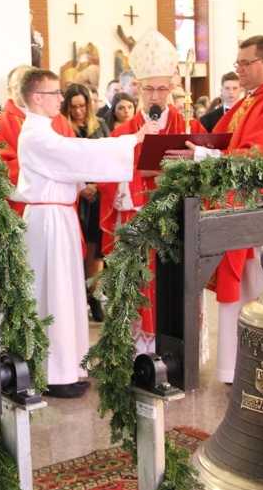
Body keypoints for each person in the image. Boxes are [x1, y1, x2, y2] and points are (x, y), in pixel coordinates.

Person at [168, 35, 263, 384]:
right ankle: (238, 368)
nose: (238, 71)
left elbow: (261, 159)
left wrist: (201, 155)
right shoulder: (258, 98)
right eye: (237, 64)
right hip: (250, 212)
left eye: (244, 63)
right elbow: (221, 137)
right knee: (244, 294)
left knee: (257, 293)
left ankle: (258, 370)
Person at [16, 68, 158, 398]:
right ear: (37, 97)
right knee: (54, 294)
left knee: (66, 292)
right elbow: (75, 153)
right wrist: (131, 140)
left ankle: (70, 366)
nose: (61, 99)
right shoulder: (36, 134)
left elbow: (70, 156)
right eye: (55, 93)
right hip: (48, 220)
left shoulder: (44, 131)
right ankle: (52, 372)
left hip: (59, 217)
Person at [98, 28, 206, 354]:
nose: (156, 96)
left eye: (162, 88)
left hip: (177, 223)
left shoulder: (189, 126)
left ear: (173, 87)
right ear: (138, 89)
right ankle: (140, 355)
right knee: (142, 287)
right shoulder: (123, 131)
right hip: (138, 222)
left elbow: (208, 168)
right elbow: (108, 177)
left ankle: (179, 354)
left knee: (177, 288)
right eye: (149, 89)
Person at [0, 64, 76, 216]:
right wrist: (45, 167)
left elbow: (73, 153)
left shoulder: (59, 120)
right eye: (23, 85)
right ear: (9, 91)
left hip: (59, 200)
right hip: (22, 204)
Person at [61, 83, 111, 322]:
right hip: (75, 195)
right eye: (74, 107)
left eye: (82, 106)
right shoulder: (61, 127)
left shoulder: (100, 126)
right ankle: (78, 298)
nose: (79, 111)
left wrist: (96, 185)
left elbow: (108, 157)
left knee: (96, 252)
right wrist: (82, 187)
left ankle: (95, 296)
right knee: (78, 249)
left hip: (98, 193)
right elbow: (64, 162)